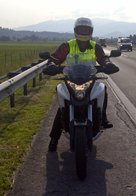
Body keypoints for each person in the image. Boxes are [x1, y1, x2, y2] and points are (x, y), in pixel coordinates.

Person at [45, 17, 119, 151]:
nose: (83, 32)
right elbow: (56, 57)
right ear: (76, 31)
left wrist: (108, 64)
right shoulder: (68, 45)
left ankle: (103, 119)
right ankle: (54, 139)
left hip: (89, 78)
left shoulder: (95, 46)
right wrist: (51, 64)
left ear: (91, 31)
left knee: (103, 91)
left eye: (86, 30)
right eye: (81, 29)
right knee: (63, 108)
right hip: (71, 79)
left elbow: (103, 58)